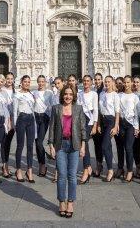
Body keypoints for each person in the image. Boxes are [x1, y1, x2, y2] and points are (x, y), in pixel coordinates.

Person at [47, 84, 86, 218]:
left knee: (72, 176)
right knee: (62, 175)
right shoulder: (56, 109)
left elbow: (82, 129)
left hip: (74, 144)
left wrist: (83, 146)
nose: (68, 96)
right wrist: (51, 145)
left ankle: (70, 202)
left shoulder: (78, 109)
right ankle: (61, 201)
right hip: (60, 145)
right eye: (65, 94)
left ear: (73, 96)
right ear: (62, 95)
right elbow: (52, 127)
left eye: (70, 94)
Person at [13, 75, 36, 183]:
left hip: (31, 119)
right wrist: (14, 124)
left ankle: (29, 170)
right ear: (21, 82)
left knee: (30, 146)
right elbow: (14, 111)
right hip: (21, 119)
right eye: (25, 81)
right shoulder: (17, 94)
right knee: (20, 145)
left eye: (28, 82)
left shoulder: (31, 94)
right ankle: (18, 170)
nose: (27, 83)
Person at [76, 74, 98, 184]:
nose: (86, 83)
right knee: (84, 144)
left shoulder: (94, 94)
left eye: (88, 81)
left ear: (91, 82)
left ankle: (86, 170)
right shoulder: (79, 94)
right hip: (81, 121)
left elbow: (96, 109)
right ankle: (88, 167)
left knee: (84, 142)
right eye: (84, 81)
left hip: (89, 122)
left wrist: (95, 125)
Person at [119, 75, 140, 183]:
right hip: (122, 124)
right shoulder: (119, 95)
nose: (126, 84)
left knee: (128, 148)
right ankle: (126, 168)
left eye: (128, 82)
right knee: (123, 147)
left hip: (131, 124)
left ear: (131, 83)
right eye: (125, 82)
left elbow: (136, 113)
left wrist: (136, 127)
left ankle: (130, 171)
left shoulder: (135, 97)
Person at [99, 75, 120, 182]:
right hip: (103, 121)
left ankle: (110, 170)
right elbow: (100, 110)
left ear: (112, 82)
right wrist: (98, 124)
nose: (107, 83)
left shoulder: (115, 95)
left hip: (111, 120)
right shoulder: (102, 94)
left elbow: (117, 112)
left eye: (108, 82)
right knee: (107, 146)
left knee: (104, 145)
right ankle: (110, 168)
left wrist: (116, 126)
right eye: (105, 82)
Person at [33, 75, 53, 177]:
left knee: (40, 142)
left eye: (42, 81)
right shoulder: (34, 93)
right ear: (37, 82)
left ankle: (43, 165)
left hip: (44, 118)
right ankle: (41, 163)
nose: (41, 83)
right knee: (37, 142)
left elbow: (52, 105)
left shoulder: (49, 93)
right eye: (39, 81)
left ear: (45, 82)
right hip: (35, 117)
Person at [0, 72, 16, 178]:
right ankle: (4, 166)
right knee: (4, 142)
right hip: (4, 120)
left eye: (11, 79)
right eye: (8, 78)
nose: (9, 80)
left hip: (13, 120)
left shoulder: (16, 92)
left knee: (8, 143)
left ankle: (5, 165)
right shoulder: (1, 91)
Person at [91, 73, 105, 177]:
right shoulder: (92, 91)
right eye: (95, 79)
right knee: (97, 143)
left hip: (103, 121)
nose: (97, 81)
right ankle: (99, 164)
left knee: (104, 144)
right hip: (95, 120)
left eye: (99, 79)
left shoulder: (104, 91)